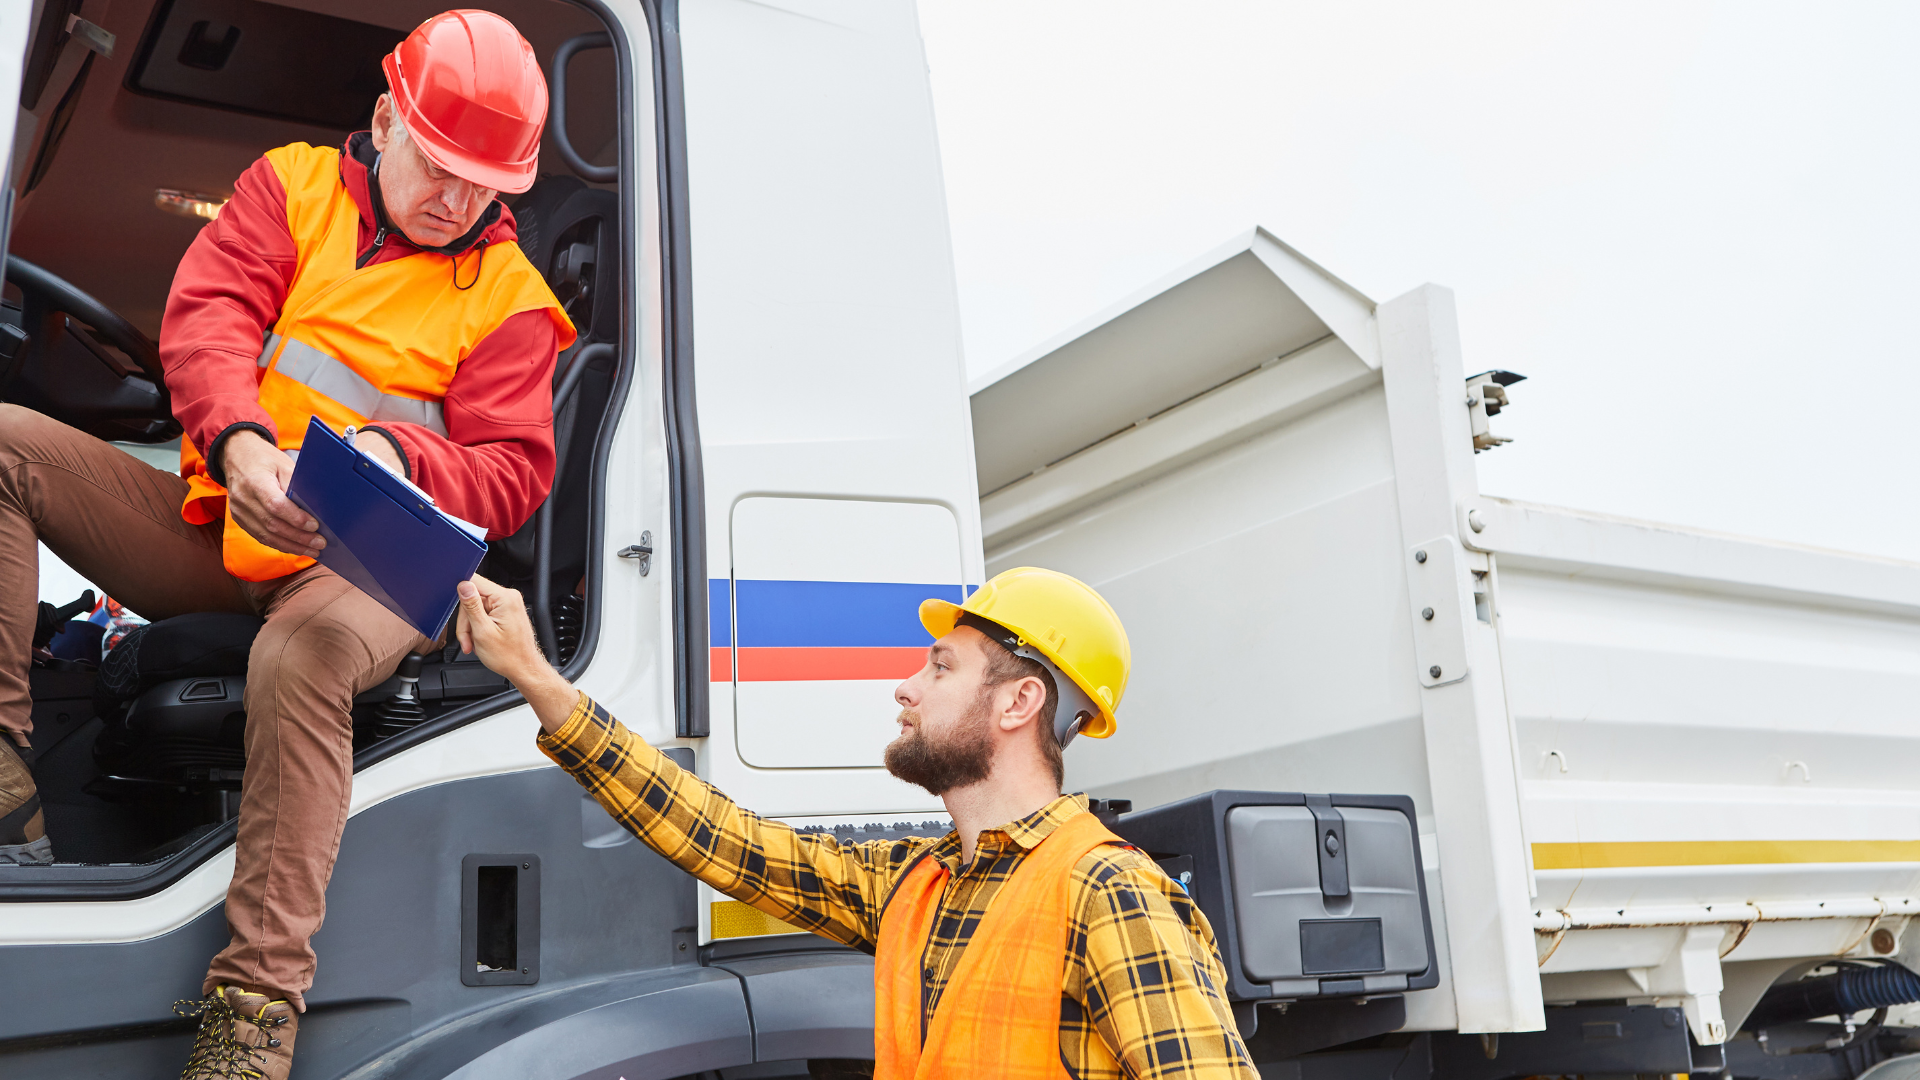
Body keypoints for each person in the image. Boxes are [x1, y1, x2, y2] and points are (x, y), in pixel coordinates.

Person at [0, 11, 573, 1078]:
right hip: (238, 519)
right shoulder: (289, 186)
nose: (456, 200)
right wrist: (244, 444)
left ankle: (251, 1023)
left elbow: (514, 475)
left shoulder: (512, 303)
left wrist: (403, 458)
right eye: (440, 167)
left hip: (372, 570)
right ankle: (5, 787)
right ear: (384, 119)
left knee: (298, 659)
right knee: (3, 448)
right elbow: (209, 316)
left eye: (484, 185)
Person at [455, 567, 1261, 1079]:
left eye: (941, 667)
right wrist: (535, 676)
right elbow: (727, 841)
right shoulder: (918, 883)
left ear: (1021, 702)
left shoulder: (1109, 892)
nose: (905, 687)